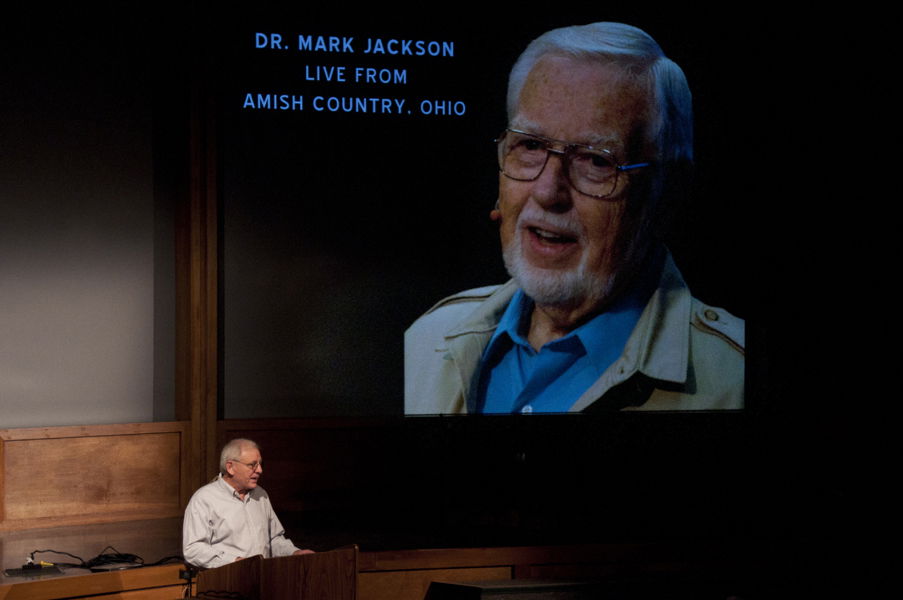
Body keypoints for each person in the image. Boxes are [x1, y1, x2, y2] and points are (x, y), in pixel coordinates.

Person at [405, 22, 744, 414]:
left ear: (666, 194)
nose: (548, 192)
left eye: (596, 161)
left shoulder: (733, 380)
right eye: (530, 145)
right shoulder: (422, 343)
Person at [182, 438, 313, 568]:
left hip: (263, 579)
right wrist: (235, 562)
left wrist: (294, 552)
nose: (259, 470)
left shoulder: (261, 495)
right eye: (252, 465)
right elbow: (193, 549)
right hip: (226, 582)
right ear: (230, 467)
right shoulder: (204, 499)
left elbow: (273, 539)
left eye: (260, 464)